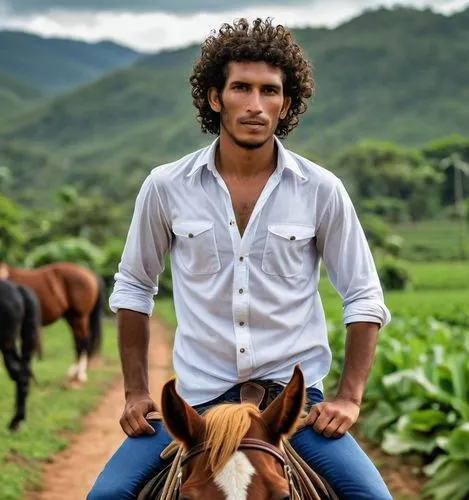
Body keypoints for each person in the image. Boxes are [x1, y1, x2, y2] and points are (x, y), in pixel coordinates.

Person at [88, 17, 392, 500]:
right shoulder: (166, 186)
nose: (255, 105)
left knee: (373, 498)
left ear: (286, 103)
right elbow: (133, 286)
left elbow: (363, 295)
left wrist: (349, 399)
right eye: (241, 88)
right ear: (215, 97)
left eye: (270, 91)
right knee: (105, 497)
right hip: (197, 403)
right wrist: (135, 392)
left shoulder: (321, 190)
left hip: (290, 410)